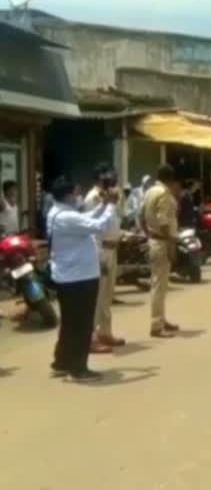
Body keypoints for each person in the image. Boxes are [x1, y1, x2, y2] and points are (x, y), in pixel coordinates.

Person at [47, 175, 119, 382]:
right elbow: (98, 226)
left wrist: (104, 204)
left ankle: (62, 362)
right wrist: (112, 206)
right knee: (82, 324)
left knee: (70, 323)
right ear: (69, 195)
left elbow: (87, 218)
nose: (78, 196)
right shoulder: (66, 217)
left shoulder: (59, 212)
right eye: (76, 193)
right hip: (78, 278)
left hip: (69, 277)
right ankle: (78, 369)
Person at [83, 163, 126, 354]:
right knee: (97, 296)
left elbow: (115, 221)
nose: (112, 179)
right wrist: (97, 256)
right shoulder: (93, 198)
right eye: (107, 176)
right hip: (100, 250)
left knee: (108, 296)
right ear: (99, 178)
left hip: (112, 248)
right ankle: (91, 337)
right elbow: (91, 228)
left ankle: (105, 332)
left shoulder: (112, 197)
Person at [140, 164, 180, 338]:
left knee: (161, 285)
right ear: (170, 179)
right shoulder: (163, 194)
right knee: (159, 285)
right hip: (162, 242)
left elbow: (141, 216)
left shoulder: (149, 191)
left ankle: (161, 319)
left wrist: (148, 232)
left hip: (153, 240)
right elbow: (164, 221)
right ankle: (156, 325)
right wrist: (170, 244)